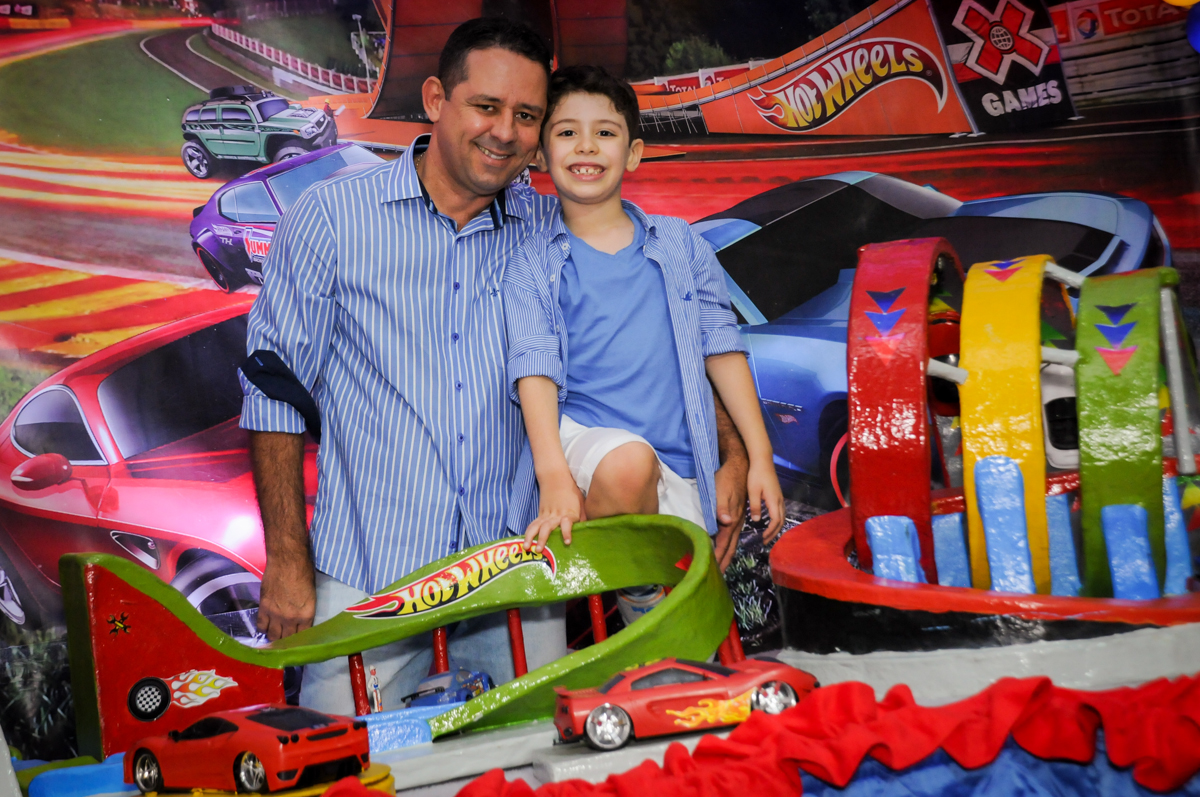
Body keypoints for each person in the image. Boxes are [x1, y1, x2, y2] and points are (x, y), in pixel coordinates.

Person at [239, 20, 750, 715]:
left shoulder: (552, 228)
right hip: (369, 575)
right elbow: (274, 389)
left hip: (517, 575)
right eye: (486, 107)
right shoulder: (332, 218)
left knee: (519, 765)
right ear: (434, 99)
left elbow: (668, 323)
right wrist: (289, 558)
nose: (505, 132)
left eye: (528, 116)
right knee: (349, 766)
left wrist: (732, 451)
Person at [503, 66, 786, 599]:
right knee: (630, 463)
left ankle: (645, 604)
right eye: (566, 132)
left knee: (691, 613)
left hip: (684, 466)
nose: (586, 146)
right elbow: (533, 366)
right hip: (589, 447)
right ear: (540, 154)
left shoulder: (680, 244)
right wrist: (554, 479)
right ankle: (632, 595)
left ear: (632, 153)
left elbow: (721, 348)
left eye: (604, 133)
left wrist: (759, 456)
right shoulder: (531, 260)